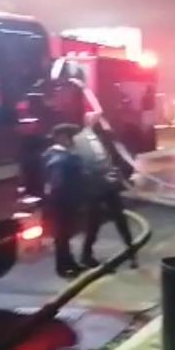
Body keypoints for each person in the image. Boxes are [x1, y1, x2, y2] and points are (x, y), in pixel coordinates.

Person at [75, 113, 138, 269]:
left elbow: (116, 158)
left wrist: (120, 174)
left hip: (108, 186)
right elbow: (83, 165)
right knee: (94, 223)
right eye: (97, 122)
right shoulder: (80, 140)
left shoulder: (104, 139)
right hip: (94, 188)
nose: (101, 125)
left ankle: (131, 252)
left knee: (120, 220)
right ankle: (86, 255)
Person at [42, 123, 86, 278]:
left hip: (64, 201)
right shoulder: (58, 157)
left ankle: (68, 262)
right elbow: (57, 183)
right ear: (61, 137)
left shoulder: (61, 155)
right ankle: (63, 266)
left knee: (65, 234)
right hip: (62, 202)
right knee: (62, 235)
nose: (73, 141)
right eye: (71, 137)